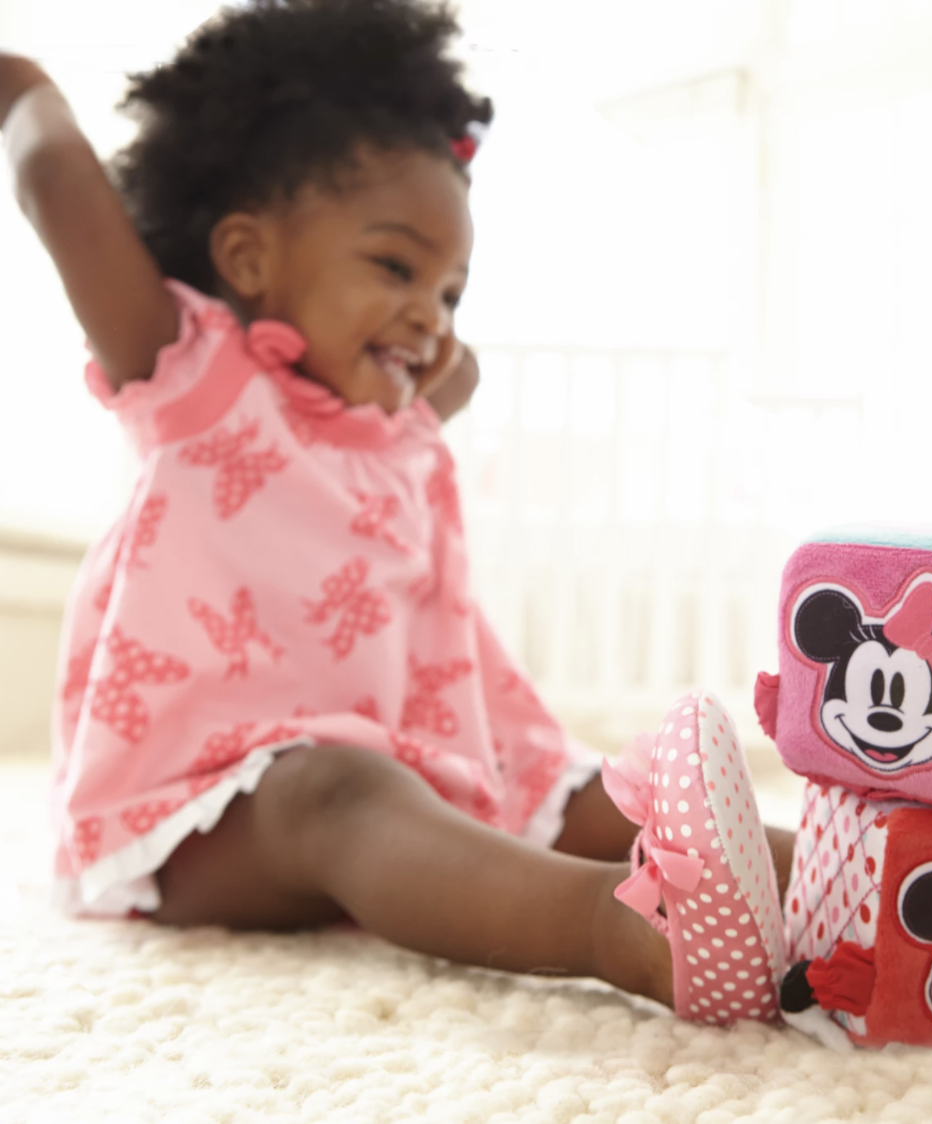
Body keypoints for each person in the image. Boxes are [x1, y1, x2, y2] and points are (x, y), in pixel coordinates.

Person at [1, 0, 792, 1023]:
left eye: (452, 291)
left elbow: (443, 378)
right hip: (214, 807)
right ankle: (623, 927)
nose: (431, 314)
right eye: (394, 267)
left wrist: (420, 350)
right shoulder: (196, 379)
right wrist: (20, 85)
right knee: (339, 792)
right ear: (248, 260)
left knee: (598, 791)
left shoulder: (400, 420)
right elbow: (58, 181)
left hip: (436, 748)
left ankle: (870, 876)